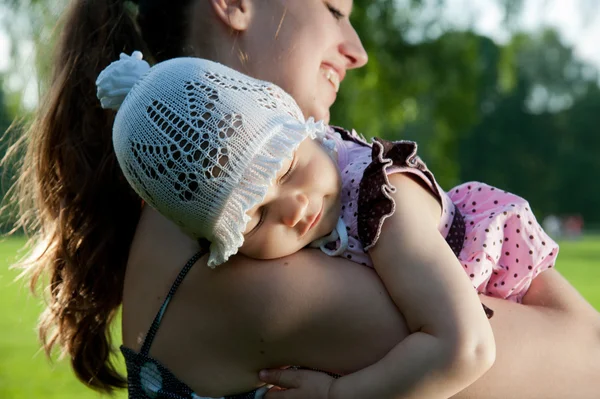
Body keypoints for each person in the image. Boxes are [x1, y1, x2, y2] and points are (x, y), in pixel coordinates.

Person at [11, 0, 600, 398]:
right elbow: (582, 363)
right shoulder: (250, 275)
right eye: (335, 10)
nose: (358, 49)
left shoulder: (200, 228)